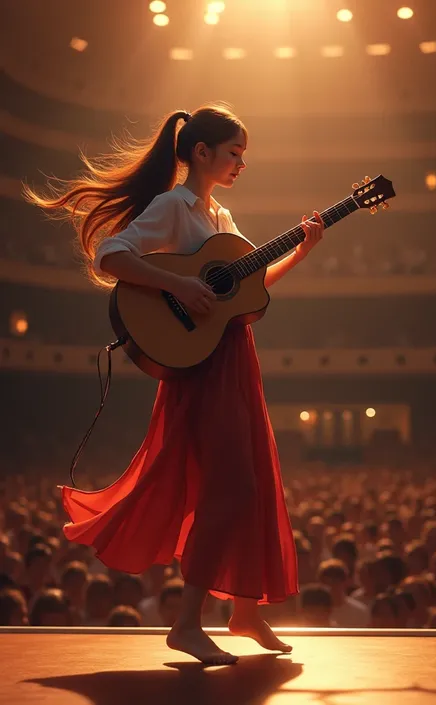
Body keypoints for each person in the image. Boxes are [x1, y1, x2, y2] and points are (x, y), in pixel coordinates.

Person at [24, 103, 324, 665]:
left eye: (243, 154)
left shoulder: (221, 217)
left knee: (252, 484)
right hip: (202, 368)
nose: (241, 163)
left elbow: (248, 289)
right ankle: (188, 623)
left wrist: (301, 252)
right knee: (232, 487)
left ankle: (244, 610)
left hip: (234, 358)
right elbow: (110, 253)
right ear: (201, 153)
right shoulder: (172, 206)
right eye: (234, 153)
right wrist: (177, 287)